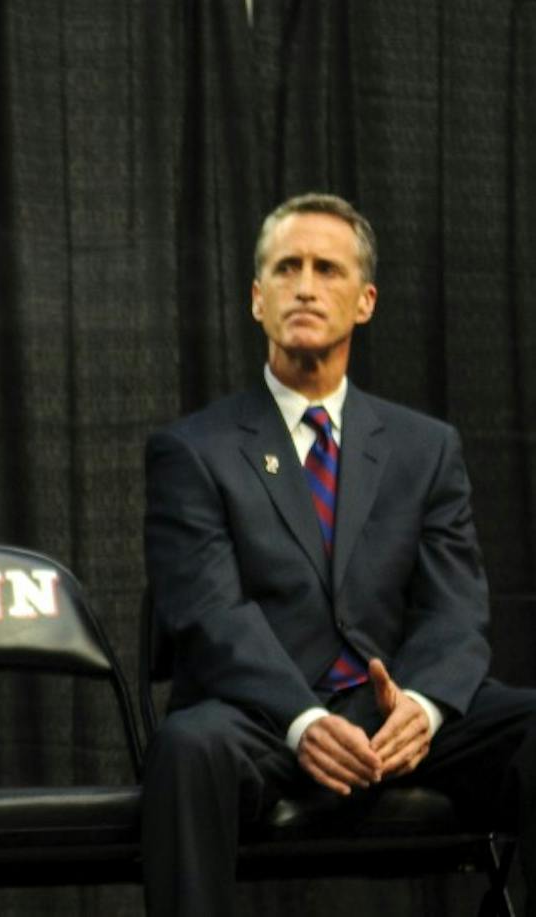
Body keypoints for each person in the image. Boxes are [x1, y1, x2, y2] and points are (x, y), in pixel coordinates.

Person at [142, 193, 536, 916]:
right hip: (260, 719)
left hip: (389, 719)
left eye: (327, 268)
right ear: (257, 299)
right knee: (187, 746)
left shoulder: (426, 447)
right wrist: (303, 719)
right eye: (286, 268)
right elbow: (208, 612)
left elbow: (456, 605)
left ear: (365, 300)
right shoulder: (192, 451)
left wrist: (422, 703)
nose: (305, 284)